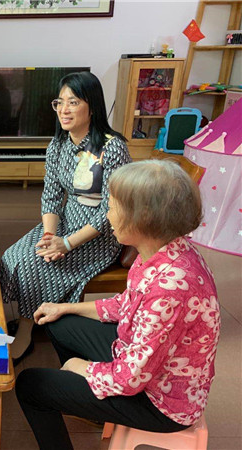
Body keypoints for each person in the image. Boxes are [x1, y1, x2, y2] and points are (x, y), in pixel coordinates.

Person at [16, 160, 220, 450]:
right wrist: (66, 307)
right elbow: (128, 303)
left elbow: (131, 378)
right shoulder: (163, 249)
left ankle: (83, 397)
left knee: (31, 386)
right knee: (58, 322)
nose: (107, 215)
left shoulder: (170, 288)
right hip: (143, 362)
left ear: (143, 218)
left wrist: (82, 367)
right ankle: (88, 402)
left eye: (112, 207)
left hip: (161, 401)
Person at [0, 71, 132, 358]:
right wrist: (50, 234)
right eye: (60, 102)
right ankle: (32, 312)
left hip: (100, 233)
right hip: (67, 220)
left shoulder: (112, 147)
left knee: (36, 264)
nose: (64, 110)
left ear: (92, 107)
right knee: (13, 255)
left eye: (73, 102)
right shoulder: (58, 145)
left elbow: (112, 210)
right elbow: (51, 195)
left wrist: (67, 244)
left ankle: (25, 331)